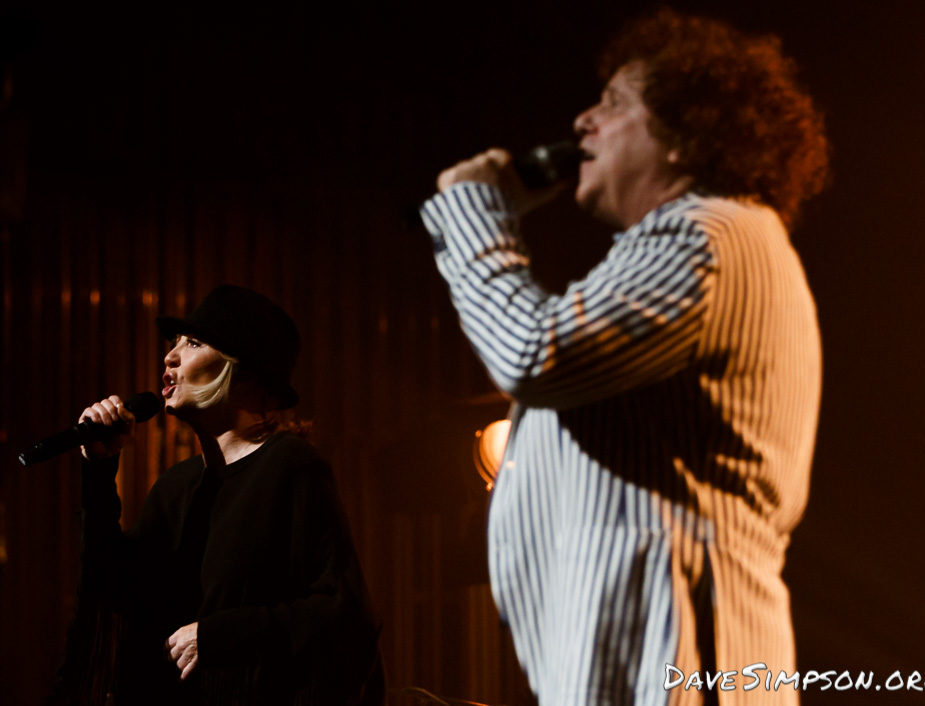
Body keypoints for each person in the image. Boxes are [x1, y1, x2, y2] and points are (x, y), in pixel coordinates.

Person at [420, 9, 828, 706]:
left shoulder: (708, 238)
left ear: (686, 132)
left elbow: (532, 353)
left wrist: (474, 216)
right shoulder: (700, 242)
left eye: (612, 104)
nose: (582, 120)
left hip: (675, 661)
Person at [57, 285, 382, 705]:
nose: (170, 356)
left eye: (192, 343)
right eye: (174, 343)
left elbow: (343, 612)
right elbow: (117, 590)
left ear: (242, 371)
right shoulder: (175, 488)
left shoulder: (289, 467)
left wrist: (218, 636)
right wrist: (98, 470)